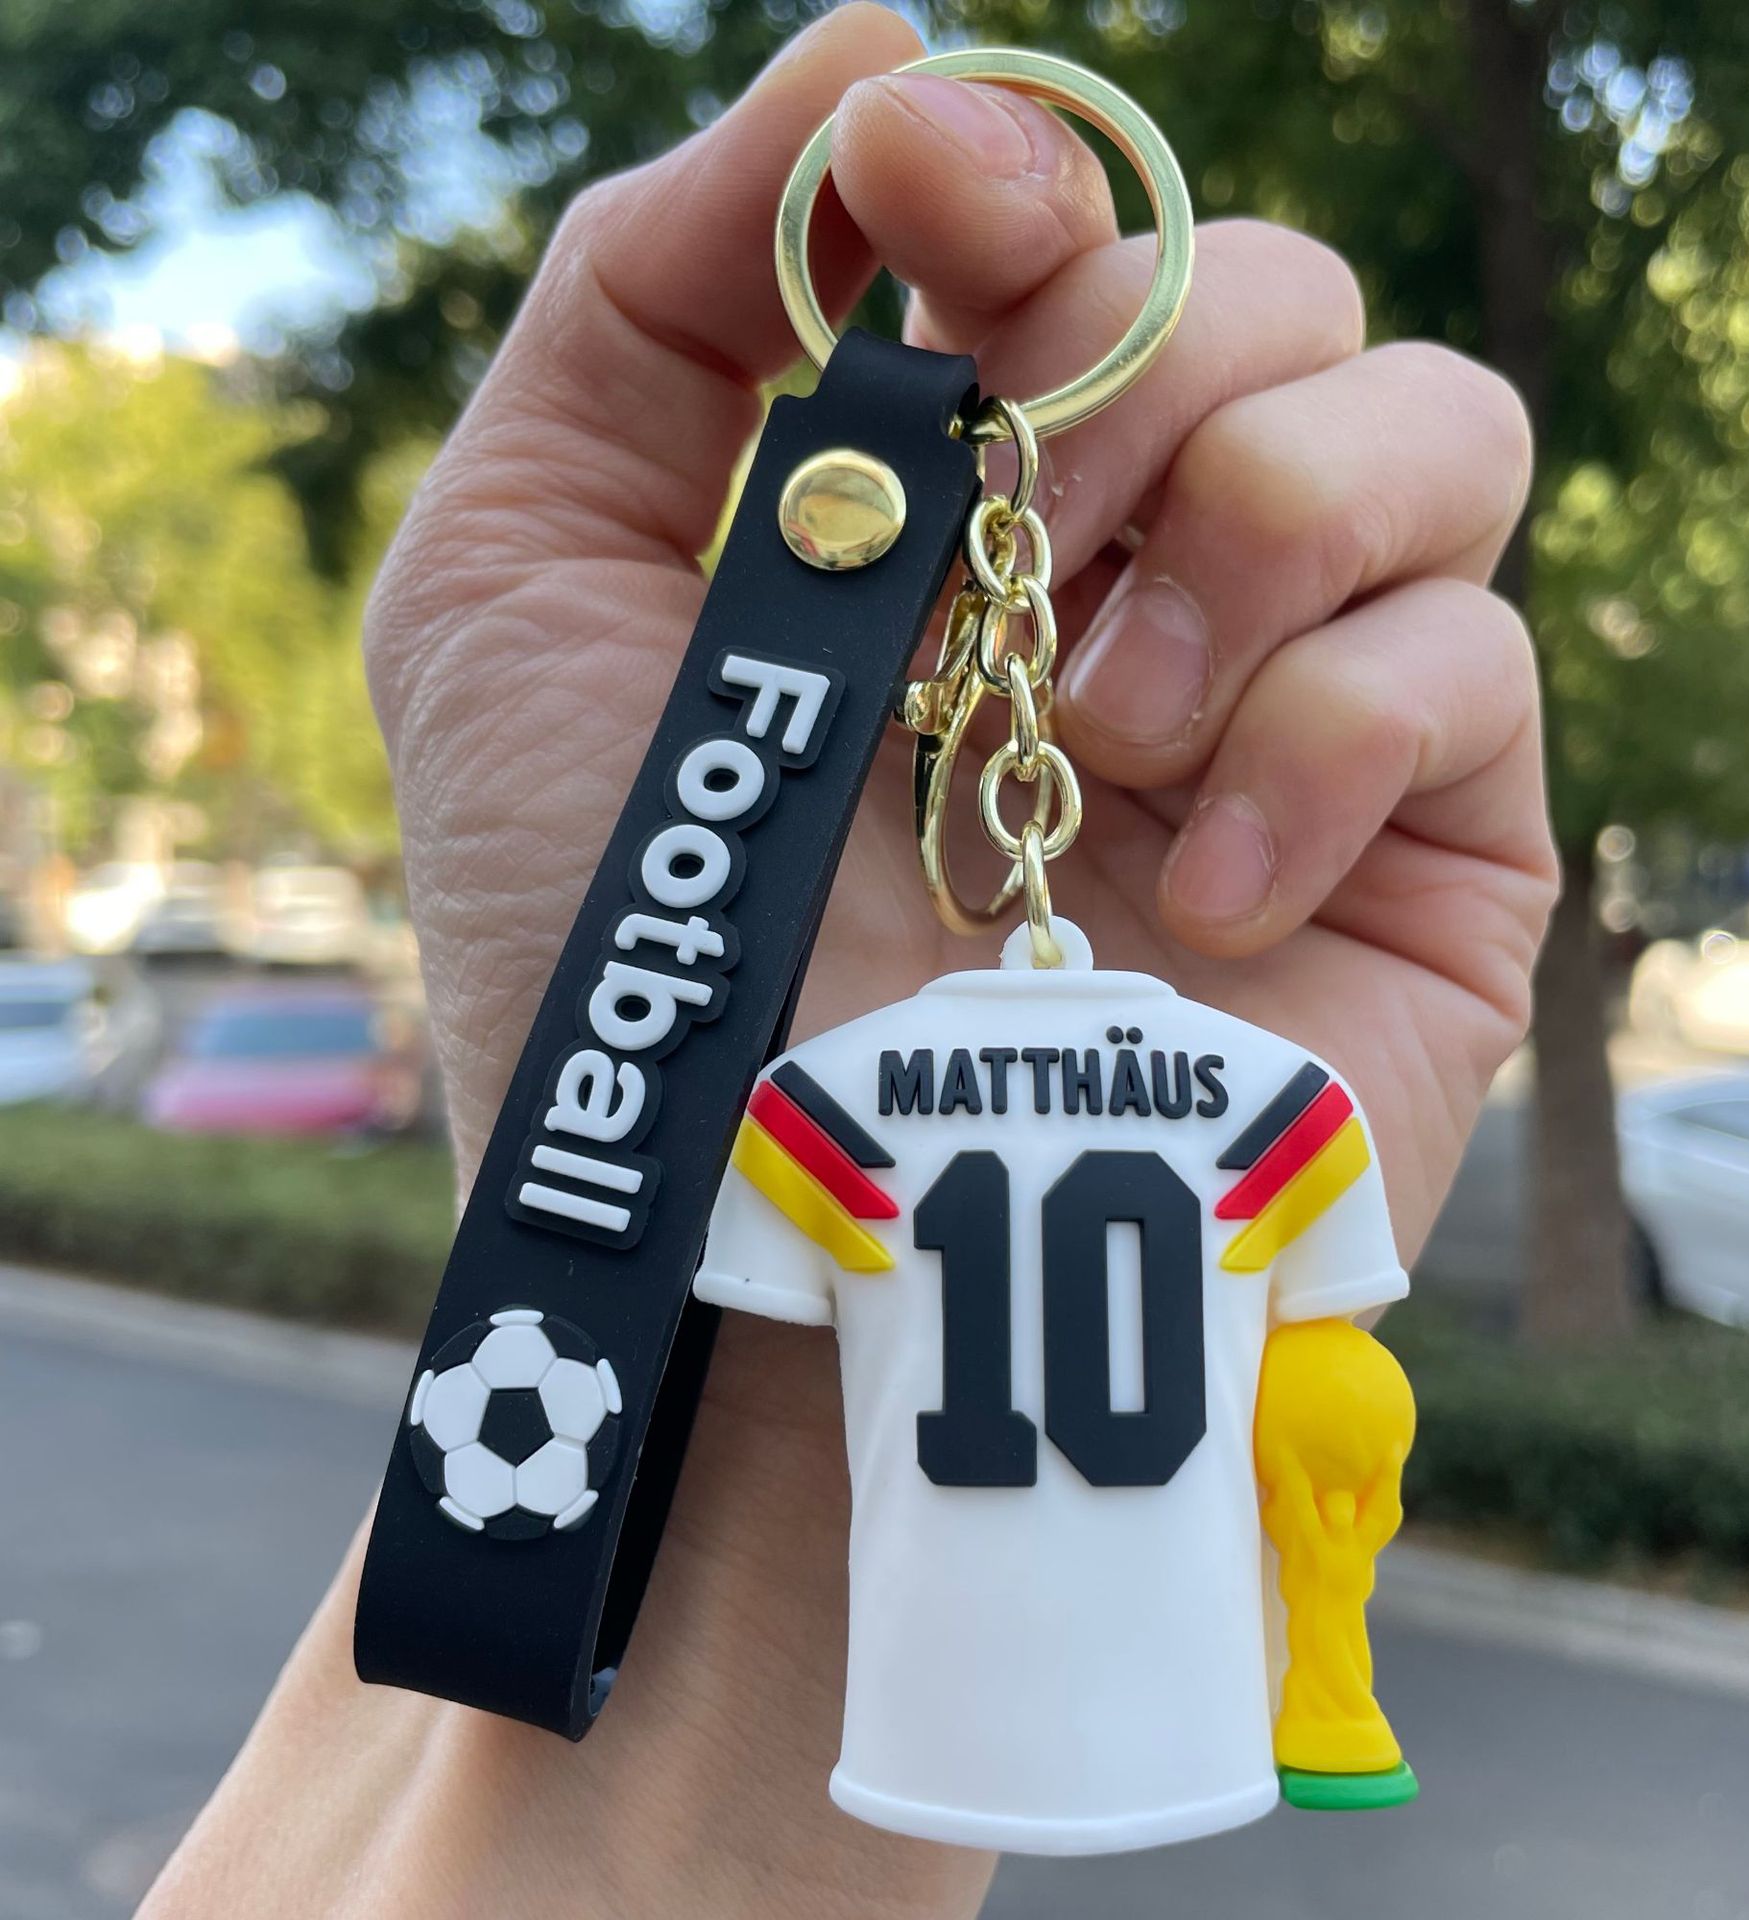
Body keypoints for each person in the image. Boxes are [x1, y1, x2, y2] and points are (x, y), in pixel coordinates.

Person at [140, 9, 1552, 1915]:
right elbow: (1309, 1366)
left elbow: (797, 1261)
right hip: (1185, 1714)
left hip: (906, 1697)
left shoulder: (836, 1101)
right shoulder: (1271, 1103)